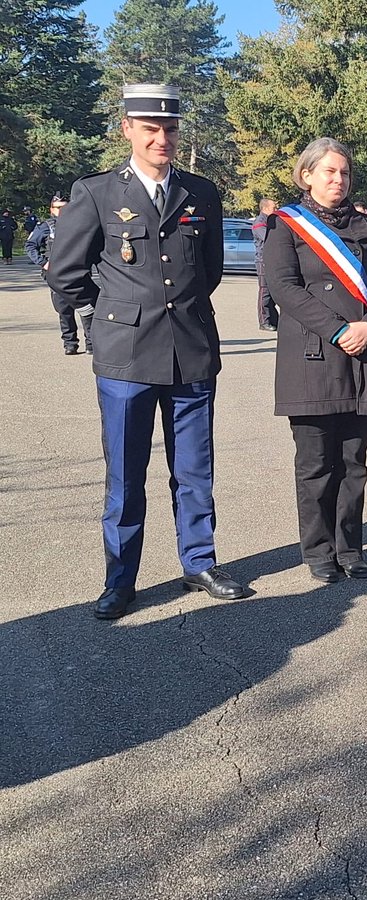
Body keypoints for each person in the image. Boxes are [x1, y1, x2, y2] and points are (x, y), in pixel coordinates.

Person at [47, 83, 248, 620]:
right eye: (151, 129)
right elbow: (65, 274)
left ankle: (199, 562)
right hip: (126, 357)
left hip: (191, 351)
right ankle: (120, 580)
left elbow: (209, 271)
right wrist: (112, 313)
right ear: (128, 130)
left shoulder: (201, 192)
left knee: (195, 469)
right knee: (125, 474)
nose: (162, 138)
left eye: (171, 129)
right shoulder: (96, 192)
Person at [263, 138, 367, 582]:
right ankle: (319, 550)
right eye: (329, 171)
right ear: (306, 175)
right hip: (314, 356)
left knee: (354, 462)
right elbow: (284, 288)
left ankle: (350, 547)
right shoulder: (286, 225)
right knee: (316, 464)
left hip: (362, 356)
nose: (339, 179)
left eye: (344, 172)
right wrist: (339, 329)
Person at [26, 196, 94, 355]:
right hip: (57, 276)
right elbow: (30, 246)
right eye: (58, 207)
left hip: (79, 273)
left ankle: (91, 343)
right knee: (64, 311)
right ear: (52, 209)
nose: (62, 210)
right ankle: (70, 343)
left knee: (87, 309)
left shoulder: (80, 224)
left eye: (65, 207)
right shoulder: (45, 227)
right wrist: (43, 263)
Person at [252, 197, 279, 331]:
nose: (276, 209)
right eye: (274, 207)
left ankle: (273, 319)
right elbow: (270, 239)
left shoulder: (270, 221)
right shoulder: (260, 223)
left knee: (273, 291)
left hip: (271, 260)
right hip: (263, 261)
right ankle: (264, 321)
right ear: (266, 208)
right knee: (265, 291)